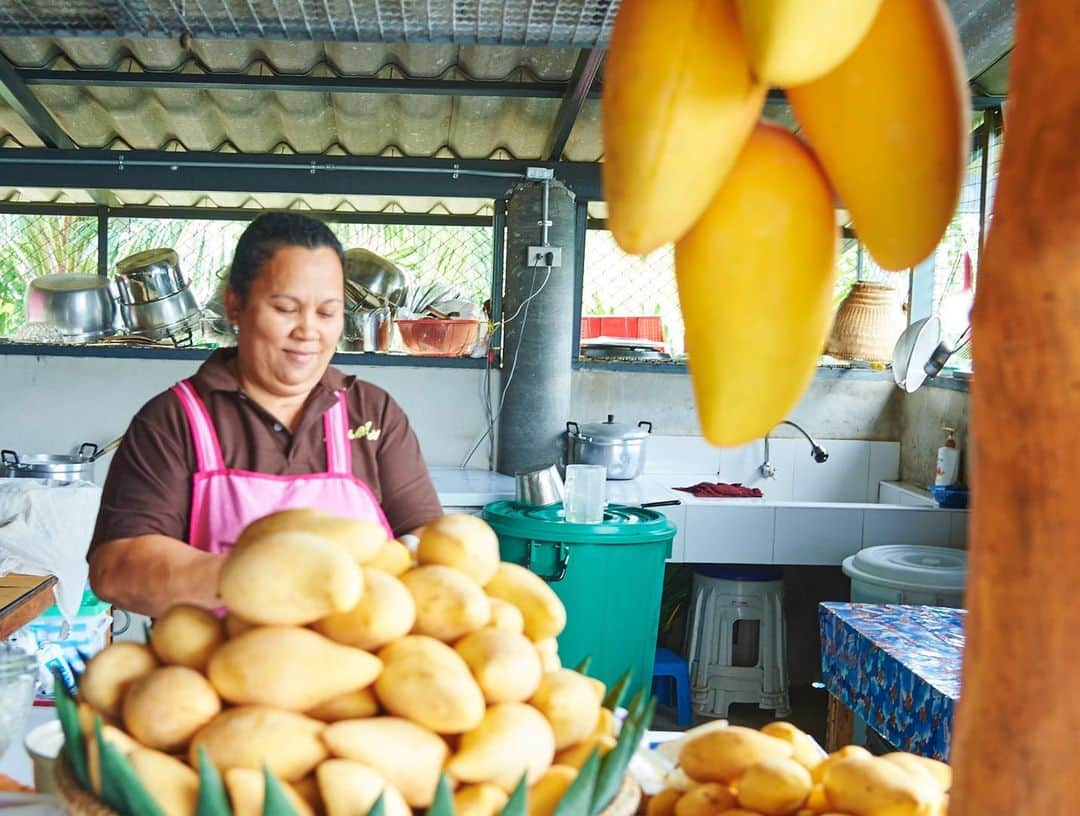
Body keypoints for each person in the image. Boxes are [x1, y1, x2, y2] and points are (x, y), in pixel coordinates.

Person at [88, 213, 443, 617]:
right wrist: (272, 580)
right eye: (286, 308)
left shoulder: (373, 413)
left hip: (362, 668)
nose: (308, 331)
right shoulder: (173, 420)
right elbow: (116, 567)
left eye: (327, 313)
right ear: (236, 305)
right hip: (221, 671)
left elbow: (431, 540)